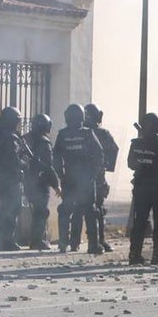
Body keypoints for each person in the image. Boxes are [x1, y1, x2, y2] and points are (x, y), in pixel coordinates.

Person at [54, 104, 105, 254]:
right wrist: (94, 176)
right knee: (91, 211)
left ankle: (63, 243)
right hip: (86, 180)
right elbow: (99, 155)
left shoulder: (62, 134)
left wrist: (61, 175)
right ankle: (93, 246)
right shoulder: (87, 133)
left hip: (69, 178)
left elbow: (56, 157)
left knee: (65, 209)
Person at [127, 112, 158, 265]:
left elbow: (131, 163)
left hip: (141, 188)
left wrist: (143, 163)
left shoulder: (136, 144)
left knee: (140, 223)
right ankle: (157, 256)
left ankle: (134, 254)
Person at [0, 107, 30, 250]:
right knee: (12, 209)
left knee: (6, 208)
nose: (19, 124)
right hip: (11, 179)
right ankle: (7, 241)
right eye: (17, 120)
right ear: (12, 121)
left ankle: (0, 241)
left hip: (2, 178)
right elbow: (13, 160)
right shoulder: (10, 138)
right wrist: (25, 162)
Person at [84, 104, 120, 253]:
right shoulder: (102, 134)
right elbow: (113, 150)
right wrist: (105, 167)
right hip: (97, 177)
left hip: (79, 177)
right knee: (97, 210)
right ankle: (99, 241)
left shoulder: (80, 133)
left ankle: (72, 241)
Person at [23, 114, 61, 251]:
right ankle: (37, 241)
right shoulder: (44, 142)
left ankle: (35, 239)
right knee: (41, 212)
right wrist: (56, 185)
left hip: (26, 181)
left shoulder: (25, 139)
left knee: (35, 212)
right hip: (40, 183)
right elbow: (48, 166)